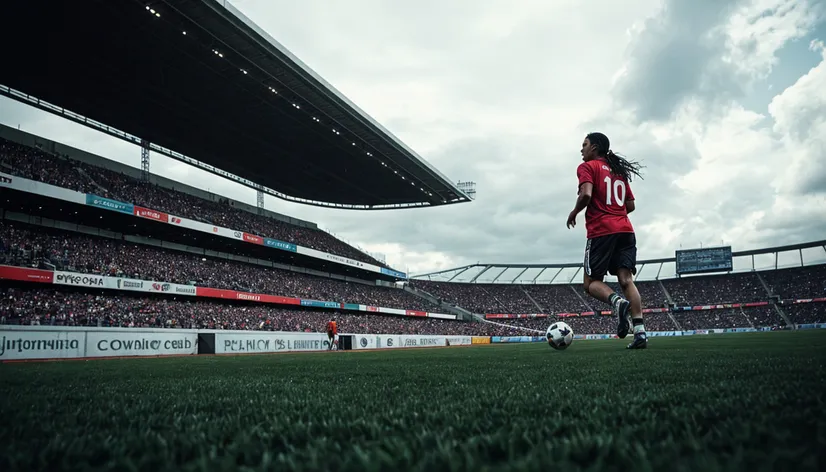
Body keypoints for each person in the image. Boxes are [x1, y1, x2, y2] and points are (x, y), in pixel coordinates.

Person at [566, 132, 647, 349]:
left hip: (602, 230)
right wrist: (615, 211)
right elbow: (630, 205)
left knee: (590, 283)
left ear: (595, 148)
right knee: (626, 280)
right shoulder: (618, 171)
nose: (581, 149)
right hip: (625, 230)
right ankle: (640, 334)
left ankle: (617, 303)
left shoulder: (587, 167)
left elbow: (586, 194)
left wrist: (574, 212)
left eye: (584, 144)